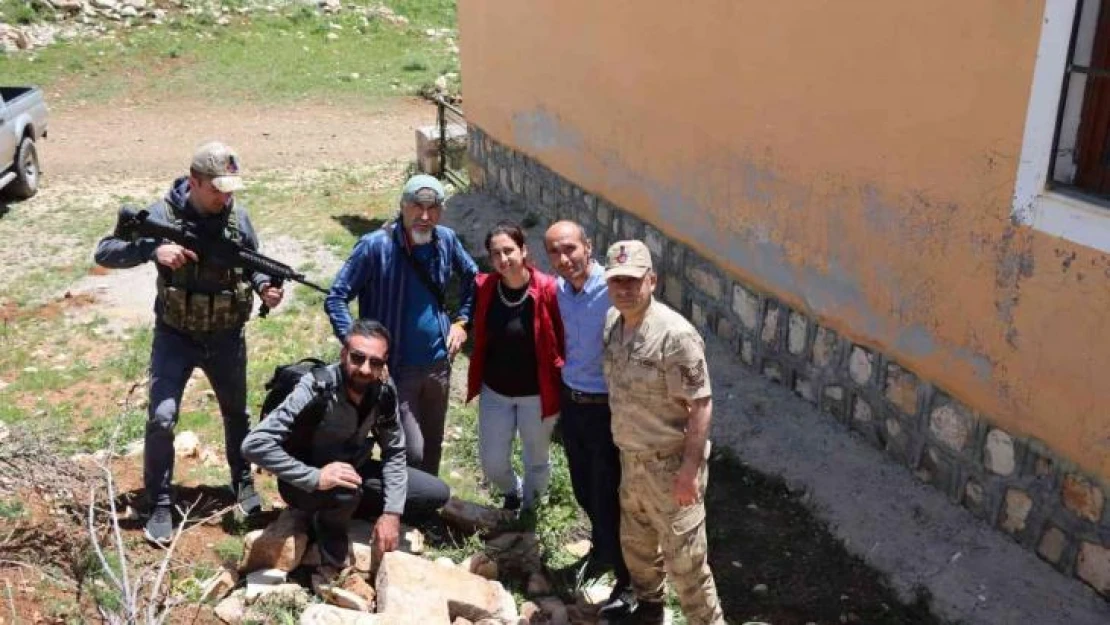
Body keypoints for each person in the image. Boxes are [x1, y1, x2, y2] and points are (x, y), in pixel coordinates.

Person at [93, 141, 283, 544]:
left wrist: (266, 286)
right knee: (162, 417)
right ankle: (159, 501)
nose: (225, 196)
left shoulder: (238, 219)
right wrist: (152, 250)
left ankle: (242, 483)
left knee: (237, 415)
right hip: (175, 336)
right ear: (194, 181)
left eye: (231, 188)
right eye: (216, 188)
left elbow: (252, 265)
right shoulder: (160, 215)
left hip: (226, 338)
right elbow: (105, 252)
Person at [242, 319, 451, 565]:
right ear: (344, 354)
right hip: (304, 479)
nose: (364, 369)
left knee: (435, 493)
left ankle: (347, 508)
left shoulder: (383, 391)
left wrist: (392, 513)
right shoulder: (316, 387)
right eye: (357, 358)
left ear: (384, 364)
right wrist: (315, 477)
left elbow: (394, 452)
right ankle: (327, 524)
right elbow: (254, 444)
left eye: (375, 362)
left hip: (353, 470)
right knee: (345, 491)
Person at [602, 240, 724, 625]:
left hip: (670, 467)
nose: (624, 288)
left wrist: (689, 471)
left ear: (651, 280)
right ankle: (651, 612)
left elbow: (701, 404)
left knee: (687, 565)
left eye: (632, 280)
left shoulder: (676, 336)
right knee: (638, 550)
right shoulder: (612, 322)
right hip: (632, 461)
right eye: (616, 280)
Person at [325, 175, 477, 477]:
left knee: (432, 445)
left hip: (438, 365)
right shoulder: (374, 247)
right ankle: (397, 508)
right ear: (402, 206)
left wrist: (462, 322)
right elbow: (336, 298)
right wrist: (361, 352)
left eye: (433, 208)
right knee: (411, 451)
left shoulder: (445, 239)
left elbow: (473, 278)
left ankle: (424, 510)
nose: (424, 216)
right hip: (394, 368)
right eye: (416, 207)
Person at [543, 220, 635, 619]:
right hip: (573, 403)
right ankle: (601, 551)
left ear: (588, 247)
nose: (564, 260)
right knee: (582, 487)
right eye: (555, 253)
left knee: (610, 494)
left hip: (607, 407)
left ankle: (630, 582)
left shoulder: (612, 290)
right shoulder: (559, 291)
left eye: (571, 250)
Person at [465, 222, 564, 511]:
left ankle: (532, 511)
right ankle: (513, 489)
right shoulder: (485, 287)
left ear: (523, 250)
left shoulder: (547, 289)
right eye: (496, 253)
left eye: (509, 250)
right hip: (495, 390)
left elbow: (563, 335)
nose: (503, 259)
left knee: (536, 458)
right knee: (492, 462)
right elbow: (468, 318)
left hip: (537, 393)